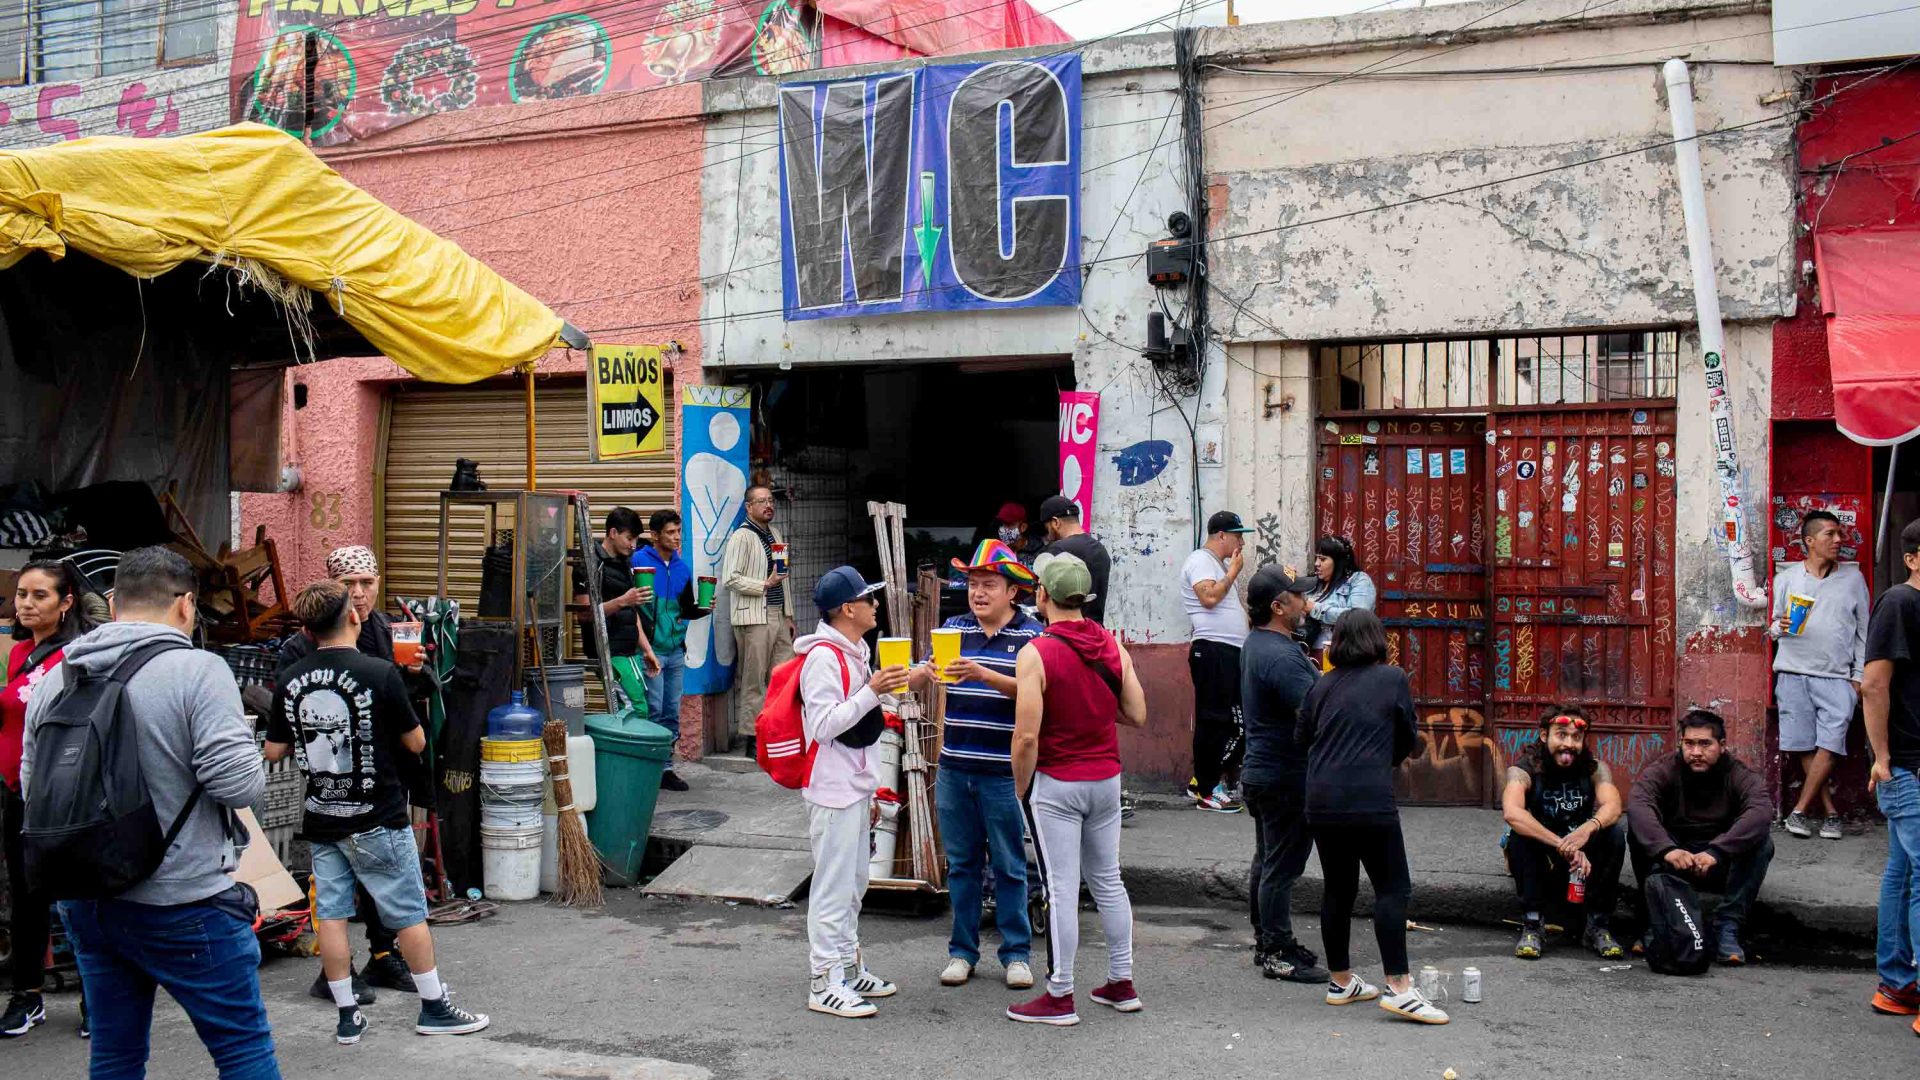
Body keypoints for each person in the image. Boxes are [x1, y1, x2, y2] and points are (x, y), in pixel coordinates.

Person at [22, 546, 279, 1078]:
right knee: (242, 1052)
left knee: (115, 1054)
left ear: (114, 603)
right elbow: (239, 786)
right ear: (187, 605)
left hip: (87, 898)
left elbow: (33, 787)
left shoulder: (57, 675)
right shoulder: (197, 670)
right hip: (183, 900)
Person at [267, 581, 490, 1045]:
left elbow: (274, 749)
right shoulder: (380, 672)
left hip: (323, 813)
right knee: (407, 912)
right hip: (378, 814)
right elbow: (416, 741)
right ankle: (433, 1007)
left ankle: (347, 1016)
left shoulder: (291, 677)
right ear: (352, 617)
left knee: (330, 915)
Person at [1006, 553, 1147, 1026]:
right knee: (1108, 881)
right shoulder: (1111, 645)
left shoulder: (1036, 652)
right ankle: (1121, 982)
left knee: (1061, 888)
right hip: (1107, 779)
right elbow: (1138, 713)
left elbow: (1026, 736)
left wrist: (1022, 788)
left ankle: (1060, 993)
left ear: (1042, 595)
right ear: (1083, 598)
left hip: (1059, 783)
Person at [276, 545, 421, 1002]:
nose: (358, 594)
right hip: (332, 777)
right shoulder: (301, 644)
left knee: (384, 875)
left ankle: (383, 955)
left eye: (366, 583)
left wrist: (415, 672)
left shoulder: (387, 630)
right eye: (349, 585)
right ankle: (337, 974)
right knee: (336, 887)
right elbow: (284, 708)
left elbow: (408, 709)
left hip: (387, 777)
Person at [1297, 609, 1447, 1025]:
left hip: (1321, 800)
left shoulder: (1321, 685)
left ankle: (1341, 981)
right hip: (1368, 798)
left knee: (1338, 890)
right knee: (1392, 888)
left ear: (1338, 643)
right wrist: (1386, 758)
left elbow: (1302, 738)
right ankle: (1399, 987)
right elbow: (1406, 735)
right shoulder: (1392, 678)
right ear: (1378, 640)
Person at [794, 567, 905, 1018]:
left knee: (854, 884)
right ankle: (823, 982)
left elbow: (864, 719)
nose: (875, 605)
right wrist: (873, 690)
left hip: (855, 787)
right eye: (869, 599)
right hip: (832, 789)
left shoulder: (855, 650)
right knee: (832, 888)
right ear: (848, 609)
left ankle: (847, 966)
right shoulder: (823, 657)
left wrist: (896, 688)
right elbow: (824, 726)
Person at [934, 540, 1040, 990]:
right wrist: (909, 674)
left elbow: (1036, 694)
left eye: (988, 585)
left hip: (1003, 772)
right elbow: (931, 671)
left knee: (1010, 865)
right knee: (960, 865)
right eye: (973, 584)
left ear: (1012, 591)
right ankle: (962, 952)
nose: (978, 593)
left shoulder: (1032, 636)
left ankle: (1016, 954)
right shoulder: (953, 628)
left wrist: (983, 675)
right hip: (954, 767)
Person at [2, 560, 93, 1038]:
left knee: (78, 896)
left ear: (66, 602)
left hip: (64, 797)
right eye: (22, 594)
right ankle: (27, 994)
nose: (27, 604)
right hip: (17, 792)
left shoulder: (79, 655)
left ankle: (94, 998)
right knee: (27, 896)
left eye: (40, 595)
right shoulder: (18, 654)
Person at [1238, 564, 1329, 984]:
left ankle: (1268, 941)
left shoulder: (1264, 644)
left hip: (1267, 771)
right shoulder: (1278, 655)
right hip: (1284, 776)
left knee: (1269, 859)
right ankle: (1277, 950)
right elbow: (1315, 713)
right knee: (1282, 866)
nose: (1305, 602)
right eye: (1297, 596)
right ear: (1278, 606)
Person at [1627, 708, 1775, 965]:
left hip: (1720, 864)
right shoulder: (1663, 770)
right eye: (1689, 743)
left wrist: (1717, 851)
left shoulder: (1739, 775)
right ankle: (1659, 919)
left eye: (1705, 744)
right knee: (1635, 832)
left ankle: (1727, 925)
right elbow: (1639, 805)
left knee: (1762, 843)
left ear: (1722, 745)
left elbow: (1761, 812)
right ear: (1680, 744)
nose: (1696, 752)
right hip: (1675, 861)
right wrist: (1667, 849)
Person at [1770, 509, 1870, 840]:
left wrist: (1857, 676)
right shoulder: (1787, 579)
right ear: (1809, 541)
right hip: (1793, 670)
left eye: (1840, 534)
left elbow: (1864, 634)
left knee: (1831, 742)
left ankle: (1798, 810)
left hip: (1837, 677)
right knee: (1803, 743)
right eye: (1831, 534)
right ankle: (1829, 812)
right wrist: (1778, 626)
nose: (1839, 540)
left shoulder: (1853, 580)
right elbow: (1772, 626)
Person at [1500, 705, 1627, 960]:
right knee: (1518, 837)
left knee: (1614, 834)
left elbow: (1613, 806)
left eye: (1576, 737)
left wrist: (1588, 829)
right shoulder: (1523, 770)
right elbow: (1513, 812)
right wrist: (1564, 845)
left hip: (1581, 854)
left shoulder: (1595, 769)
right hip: (1543, 852)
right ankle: (1533, 924)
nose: (1569, 744)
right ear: (1545, 735)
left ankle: (1597, 925)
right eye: (1561, 735)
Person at [1865, 519, 1920, 1021]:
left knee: (1903, 874)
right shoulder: (1899, 603)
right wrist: (1882, 759)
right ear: (1912, 558)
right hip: (1909, 766)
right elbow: (1875, 685)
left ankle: (1899, 986)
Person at [1182, 510, 1253, 813]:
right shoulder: (1200, 560)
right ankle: (1207, 788)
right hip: (1213, 651)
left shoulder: (1217, 565)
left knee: (1233, 722)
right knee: (1216, 721)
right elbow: (1208, 598)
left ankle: (1204, 780)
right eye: (1238, 536)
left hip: (1228, 652)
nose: (1241, 543)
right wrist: (1234, 572)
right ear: (1222, 536)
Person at [633, 508, 708, 792]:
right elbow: (633, 607)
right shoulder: (638, 561)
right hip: (650, 649)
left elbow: (685, 609)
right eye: (670, 532)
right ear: (654, 535)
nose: (676, 538)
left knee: (671, 711)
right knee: (652, 709)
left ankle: (665, 768)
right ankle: (649, 768)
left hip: (675, 649)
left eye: (679, 532)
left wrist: (703, 608)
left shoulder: (682, 568)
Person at [723, 485, 794, 755]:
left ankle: (775, 732)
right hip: (754, 616)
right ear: (748, 507)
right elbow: (731, 577)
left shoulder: (774, 533)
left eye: (771, 500)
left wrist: (789, 615)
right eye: (761, 501)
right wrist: (764, 584)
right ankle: (752, 738)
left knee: (782, 676)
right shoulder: (741, 537)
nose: (768, 505)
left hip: (777, 614)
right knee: (754, 679)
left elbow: (783, 577)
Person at [1037, 495, 1111, 625]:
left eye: (1047, 528)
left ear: (1055, 522)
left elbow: (1042, 599)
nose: (1047, 535)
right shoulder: (1101, 550)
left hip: (1065, 634)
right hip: (1095, 632)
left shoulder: (1056, 550)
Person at [1303, 536, 1376, 665]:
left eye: (1323, 559)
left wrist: (1315, 609)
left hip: (1344, 655)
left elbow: (1357, 616)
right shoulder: (1313, 583)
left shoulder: (1358, 580)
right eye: (1316, 558)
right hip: (1309, 655)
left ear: (1338, 562)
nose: (1316, 564)